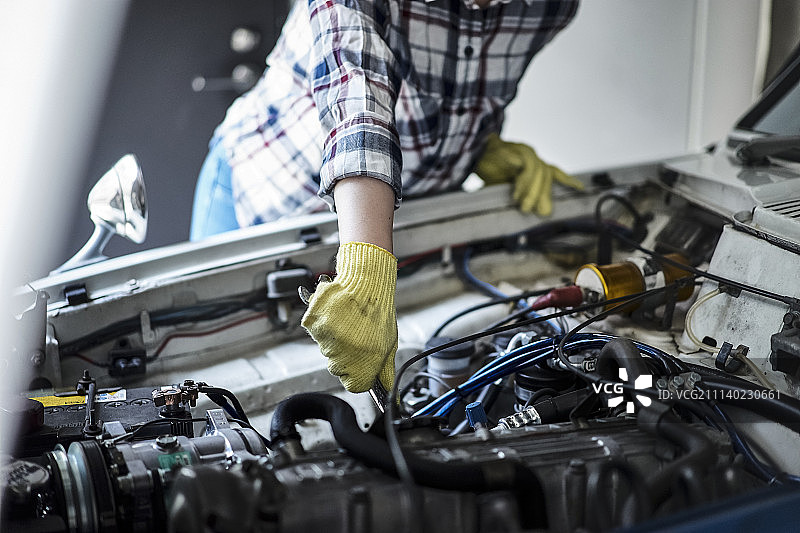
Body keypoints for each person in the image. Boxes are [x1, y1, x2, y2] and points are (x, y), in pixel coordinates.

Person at [190, 0, 582, 394]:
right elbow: (358, 101)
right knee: (206, 368)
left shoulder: (552, 6)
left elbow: (470, 85)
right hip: (268, 187)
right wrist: (367, 269)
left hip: (403, 218)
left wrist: (480, 145)